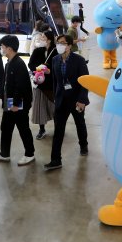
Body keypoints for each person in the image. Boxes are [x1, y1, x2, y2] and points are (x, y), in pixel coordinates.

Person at [44, 35, 90, 171]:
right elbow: (55, 81)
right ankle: (55, 159)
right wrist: (54, 98)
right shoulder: (55, 60)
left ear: (70, 45)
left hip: (76, 100)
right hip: (61, 100)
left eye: (63, 43)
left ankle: (83, 144)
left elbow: (85, 82)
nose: (60, 45)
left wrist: (82, 100)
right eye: (58, 43)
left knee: (80, 124)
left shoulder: (79, 60)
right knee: (58, 130)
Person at [0, 36, 35, 166]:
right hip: (10, 102)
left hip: (18, 104)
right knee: (6, 127)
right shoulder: (9, 62)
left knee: (23, 128)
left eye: (2, 47)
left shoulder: (18, 64)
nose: (1, 49)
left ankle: (29, 154)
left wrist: (16, 104)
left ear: (9, 48)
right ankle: (4, 154)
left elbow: (20, 87)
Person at [28, 30, 57, 140]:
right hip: (39, 85)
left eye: (43, 38)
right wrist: (38, 68)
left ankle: (58, 128)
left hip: (52, 85)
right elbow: (30, 64)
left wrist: (49, 71)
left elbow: (59, 67)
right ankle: (42, 129)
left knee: (55, 109)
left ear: (49, 39)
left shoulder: (56, 51)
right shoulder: (37, 51)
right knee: (40, 109)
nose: (40, 40)